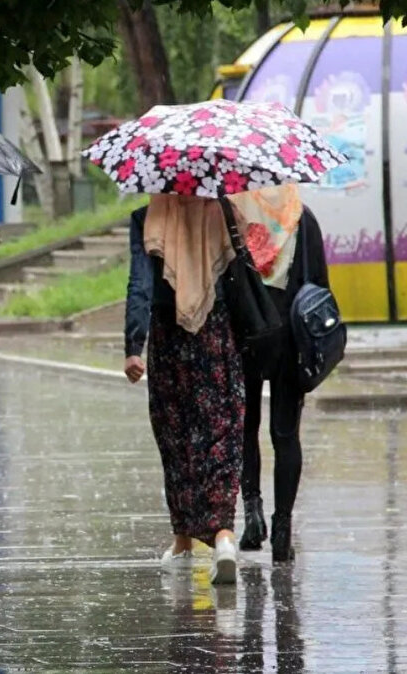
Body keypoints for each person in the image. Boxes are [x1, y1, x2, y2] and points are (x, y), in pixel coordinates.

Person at [123, 194, 245, 585]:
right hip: (217, 334)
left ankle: (183, 543)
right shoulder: (223, 212)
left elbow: (139, 284)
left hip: (168, 337)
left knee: (176, 437)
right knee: (221, 432)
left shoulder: (147, 218)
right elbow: (246, 272)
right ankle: (224, 536)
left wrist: (133, 346)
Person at [233, 185, 330, 563]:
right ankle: (283, 529)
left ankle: (253, 516)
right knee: (285, 434)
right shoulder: (303, 219)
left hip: (246, 335)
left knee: (245, 428)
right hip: (291, 339)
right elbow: (320, 287)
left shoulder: (236, 218)